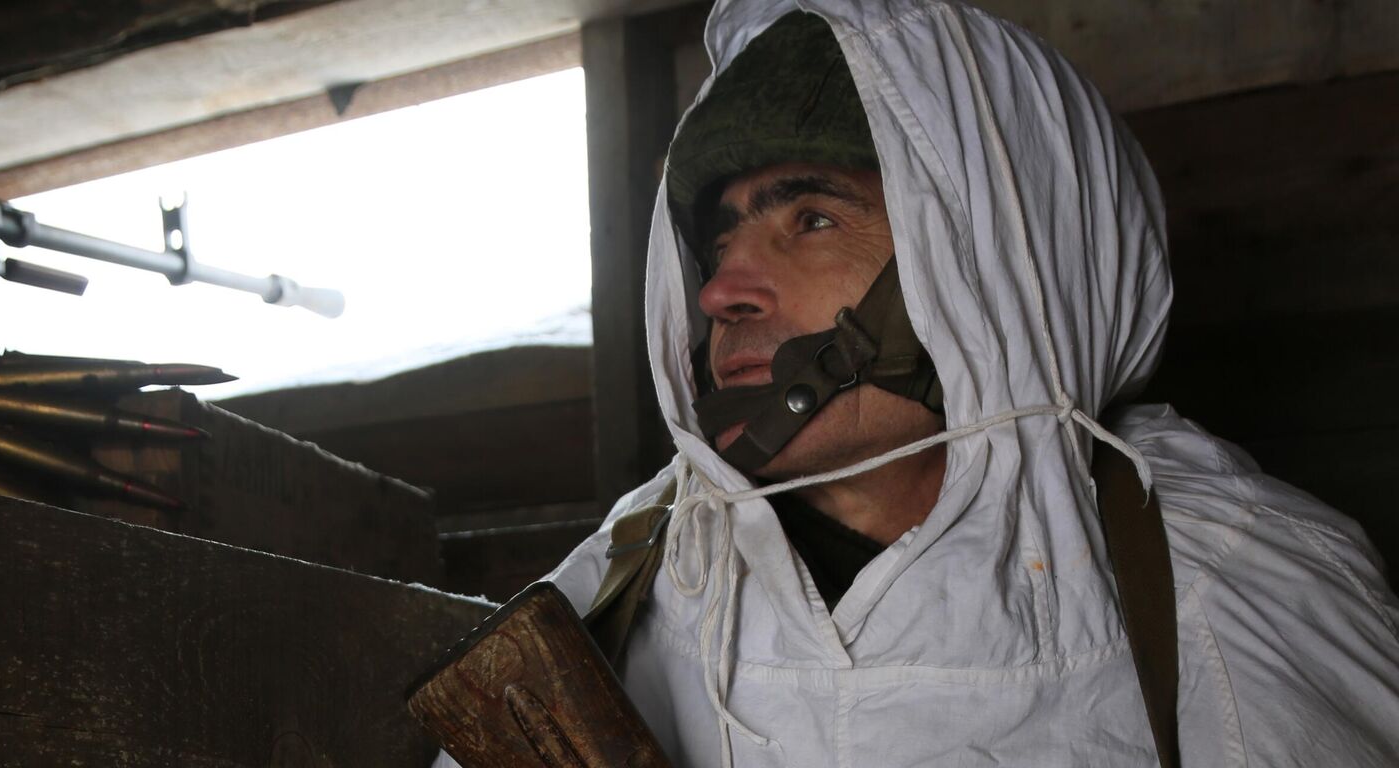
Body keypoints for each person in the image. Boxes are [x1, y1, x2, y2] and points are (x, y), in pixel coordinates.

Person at [432, 1, 1399, 765]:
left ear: (997, 266)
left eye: (810, 219)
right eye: (718, 241)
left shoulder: (1232, 590)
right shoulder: (624, 581)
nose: (722, 288)